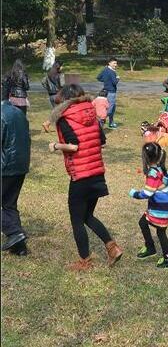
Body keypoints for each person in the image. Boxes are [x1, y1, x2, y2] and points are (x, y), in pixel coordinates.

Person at [48, 84, 123, 271]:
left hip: (80, 176)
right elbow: (102, 143)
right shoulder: (92, 113)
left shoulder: (65, 118)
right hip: (97, 173)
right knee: (87, 215)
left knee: (77, 219)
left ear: (65, 99)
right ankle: (112, 248)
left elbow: (73, 146)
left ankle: (85, 261)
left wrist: (55, 146)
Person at [129, 143, 168, 269]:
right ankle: (157, 251)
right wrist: (163, 190)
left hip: (160, 206)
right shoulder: (162, 169)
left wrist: (134, 193)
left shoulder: (153, 174)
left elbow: (148, 193)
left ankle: (164, 256)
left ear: (145, 158)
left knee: (152, 228)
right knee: (154, 228)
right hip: (165, 204)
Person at [1, 96, 31, 256]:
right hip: (20, 165)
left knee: (7, 203)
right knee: (9, 204)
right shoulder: (19, 112)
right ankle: (19, 246)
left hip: (5, 167)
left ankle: (14, 232)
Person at [96, 57, 120, 129]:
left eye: (116, 63)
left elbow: (98, 77)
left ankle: (111, 123)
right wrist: (118, 78)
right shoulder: (112, 72)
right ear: (109, 63)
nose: (115, 65)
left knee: (112, 108)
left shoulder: (105, 69)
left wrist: (106, 81)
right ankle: (100, 122)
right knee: (110, 109)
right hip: (111, 92)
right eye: (114, 63)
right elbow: (115, 82)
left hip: (105, 91)